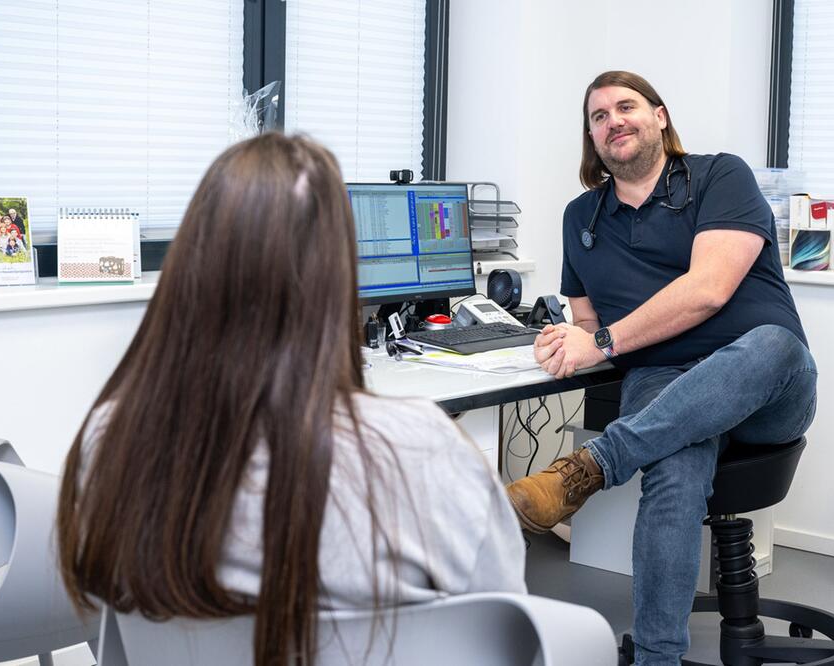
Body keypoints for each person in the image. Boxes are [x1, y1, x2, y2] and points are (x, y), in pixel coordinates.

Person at [57, 133, 526, 666]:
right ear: (337, 276)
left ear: (192, 265)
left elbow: (114, 634)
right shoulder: (423, 447)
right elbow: (509, 634)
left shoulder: (110, 440)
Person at [505, 71, 816, 665]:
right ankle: (656, 659)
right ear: (592, 139)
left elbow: (708, 290)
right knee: (673, 469)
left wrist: (600, 341)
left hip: (766, 387)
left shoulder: (720, 175)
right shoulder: (581, 218)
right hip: (661, 379)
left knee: (774, 342)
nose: (613, 120)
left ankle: (593, 466)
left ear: (660, 116)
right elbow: (586, 321)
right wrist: (565, 341)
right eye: (598, 116)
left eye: (626, 106)